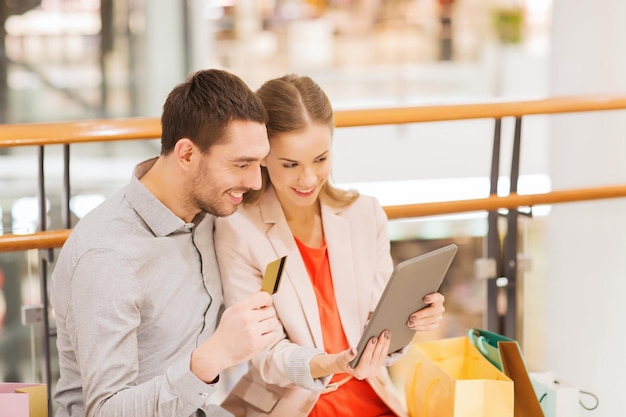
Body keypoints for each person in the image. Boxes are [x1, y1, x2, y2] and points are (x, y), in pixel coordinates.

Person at [50, 69, 280, 417]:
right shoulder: (108, 257)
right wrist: (211, 358)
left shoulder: (207, 211)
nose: (254, 181)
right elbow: (105, 411)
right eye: (242, 164)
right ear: (186, 154)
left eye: (259, 163)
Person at [213, 74, 446, 417]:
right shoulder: (238, 231)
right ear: (262, 156)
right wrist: (332, 363)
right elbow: (267, 357)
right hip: (295, 407)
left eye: (320, 159)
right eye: (290, 165)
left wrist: (412, 318)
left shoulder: (364, 214)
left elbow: (380, 328)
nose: (308, 179)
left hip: (372, 401)